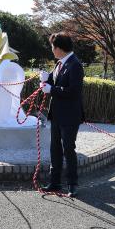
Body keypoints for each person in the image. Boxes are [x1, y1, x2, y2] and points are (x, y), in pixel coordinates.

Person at [39, 32, 85, 197]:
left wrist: (51, 89)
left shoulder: (75, 65)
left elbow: (74, 91)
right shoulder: (59, 64)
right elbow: (55, 82)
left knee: (68, 149)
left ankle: (72, 184)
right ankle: (55, 182)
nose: (52, 50)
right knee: (55, 149)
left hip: (70, 115)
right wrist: (47, 79)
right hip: (57, 114)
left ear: (59, 48)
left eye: (53, 47)